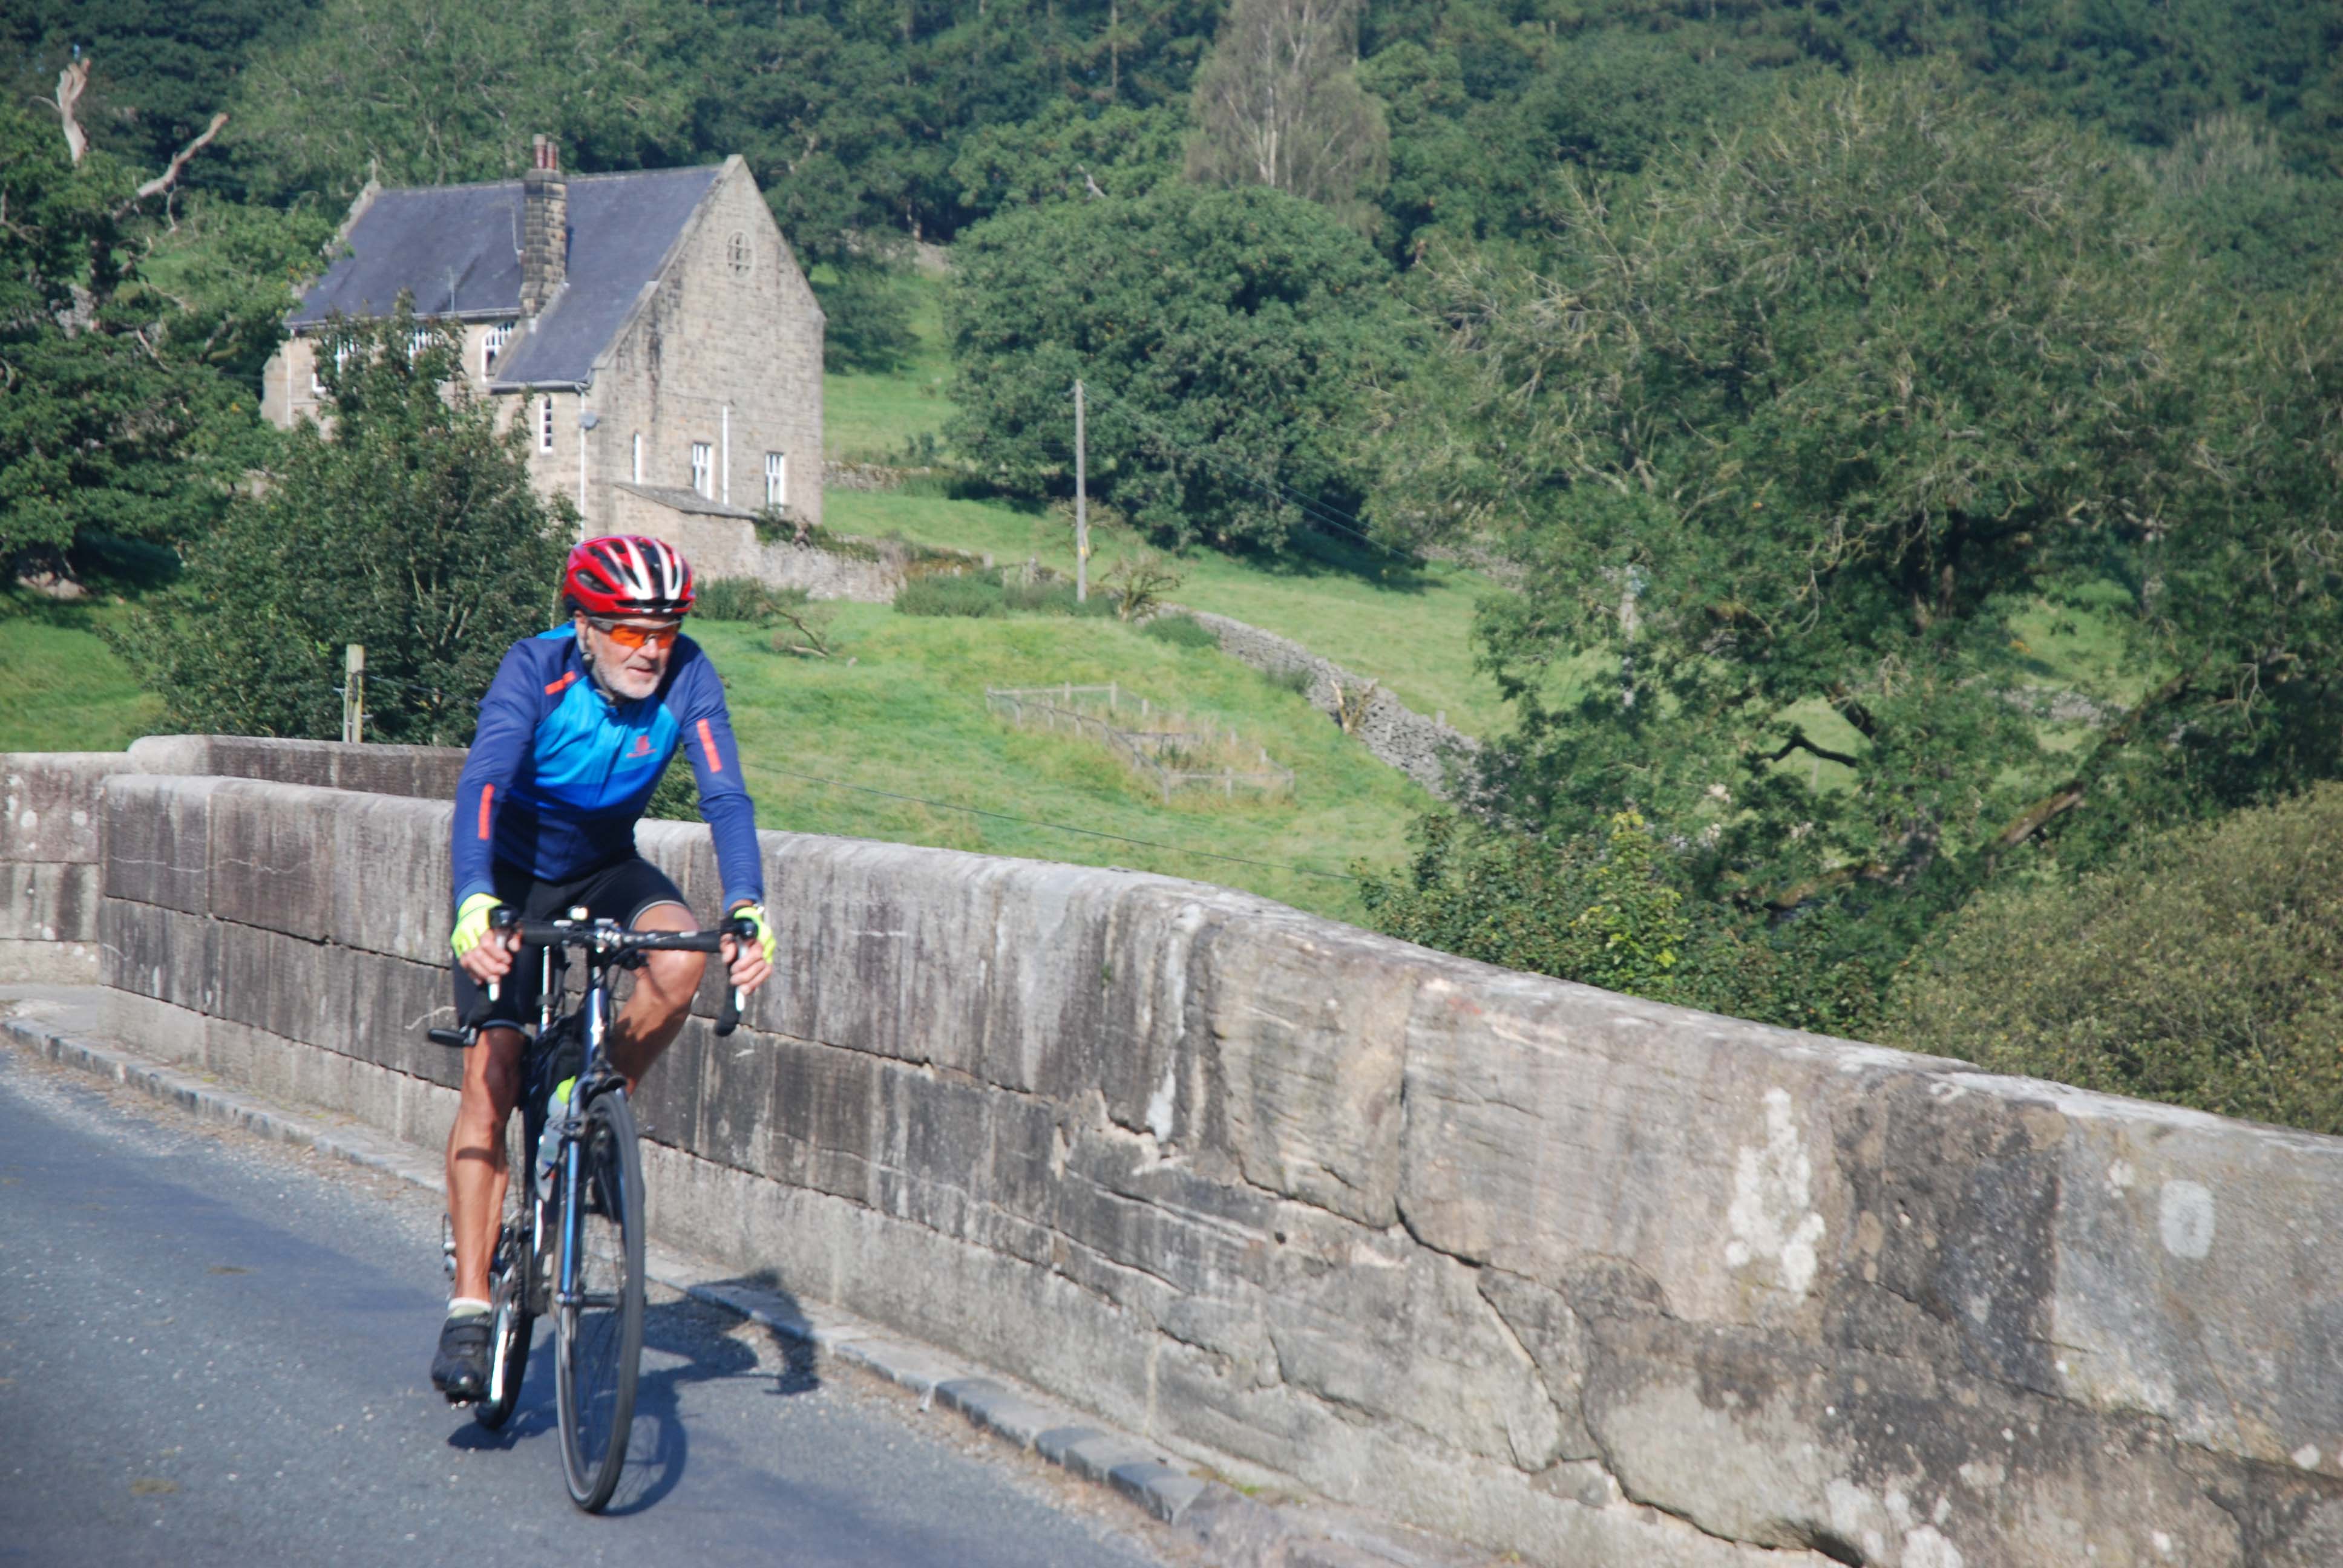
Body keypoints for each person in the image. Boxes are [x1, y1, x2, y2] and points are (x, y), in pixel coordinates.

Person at [430, 534, 775, 1401]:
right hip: (511, 875)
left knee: (677, 956)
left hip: (605, 864)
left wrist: (748, 908)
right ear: (585, 624)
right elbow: (483, 780)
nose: (650, 650)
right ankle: (472, 1308)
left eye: (664, 629)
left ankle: (583, 1101)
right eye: (629, 630)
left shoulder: (690, 677)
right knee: (491, 1075)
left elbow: (725, 793)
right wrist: (476, 903)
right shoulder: (534, 670)